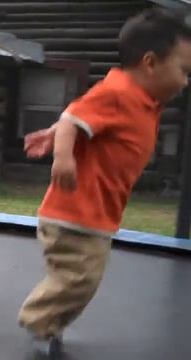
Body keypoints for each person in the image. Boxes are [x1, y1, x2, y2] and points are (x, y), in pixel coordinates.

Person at [18, 9, 191, 357]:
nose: (186, 81)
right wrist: (63, 155)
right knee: (79, 278)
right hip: (73, 211)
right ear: (150, 62)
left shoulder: (144, 102)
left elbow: (84, 120)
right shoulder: (119, 91)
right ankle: (37, 320)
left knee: (86, 279)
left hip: (96, 215)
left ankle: (51, 325)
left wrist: (54, 134)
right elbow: (72, 116)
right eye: (184, 71)